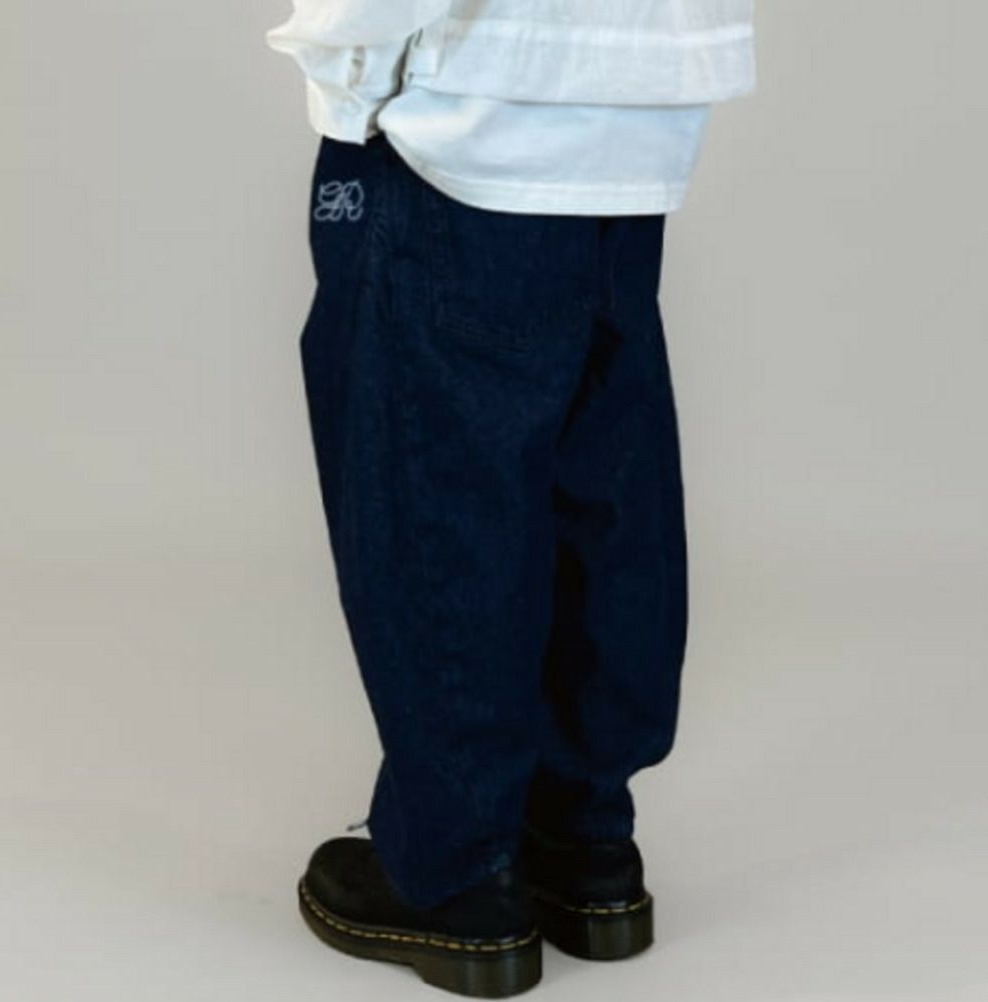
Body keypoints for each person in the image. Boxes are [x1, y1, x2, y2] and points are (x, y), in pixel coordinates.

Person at [265, 2, 755, 995]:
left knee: (435, 490)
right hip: (638, 112)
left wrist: (342, 59)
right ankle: (585, 843)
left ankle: (458, 873)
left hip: (462, 108)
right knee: (601, 484)